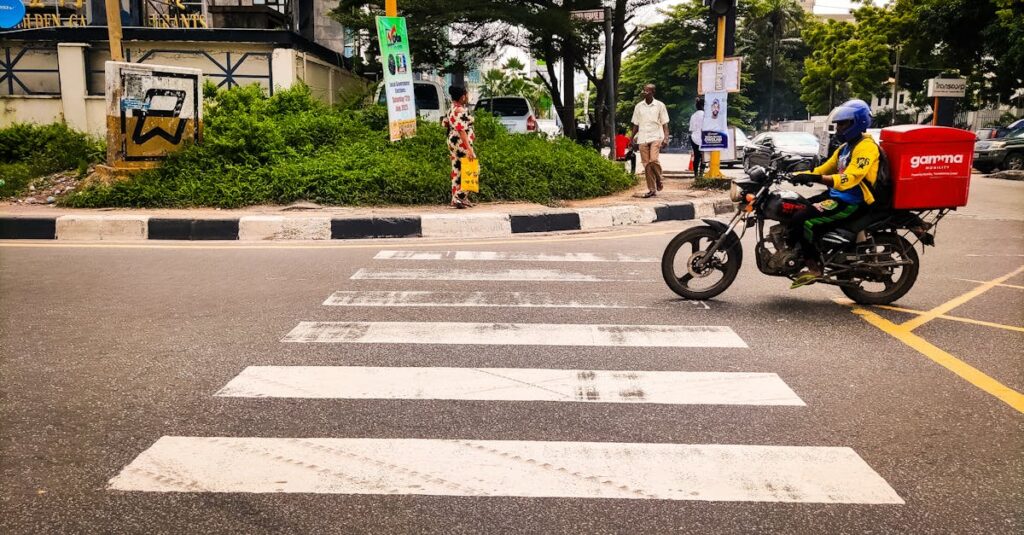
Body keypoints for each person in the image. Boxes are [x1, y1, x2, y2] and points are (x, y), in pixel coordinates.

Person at [788, 99, 879, 288]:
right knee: (794, 205)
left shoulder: (866, 148)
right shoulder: (845, 148)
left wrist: (816, 179)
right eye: (838, 124)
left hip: (852, 202)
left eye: (843, 124)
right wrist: (796, 175)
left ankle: (814, 268)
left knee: (803, 220)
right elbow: (823, 169)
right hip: (837, 196)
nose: (838, 129)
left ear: (858, 123)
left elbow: (851, 178)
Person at [630, 84, 670, 198]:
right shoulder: (638, 106)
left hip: (656, 136)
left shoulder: (660, 105)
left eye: (647, 90)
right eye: (644, 90)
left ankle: (659, 178)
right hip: (642, 137)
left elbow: (665, 124)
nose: (645, 92)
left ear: (653, 92)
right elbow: (635, 124)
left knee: (653, 160)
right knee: (647, 165)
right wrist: (631, 138)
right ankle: (652, 189)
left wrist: (666, 138)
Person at [443, 85, 476, 209]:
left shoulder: (451, 108)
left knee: (457, 169)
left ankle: (457, 199)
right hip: (461, 142)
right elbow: (461, 130)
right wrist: (469, 149)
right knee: (473, 168)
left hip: (453, 140)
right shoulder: (460, 110)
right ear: (463, 97)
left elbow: (445, 123)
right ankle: (460, 196)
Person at [689, 96, 706, 179]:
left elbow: (691, 129)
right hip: (704, 139)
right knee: (703, 157)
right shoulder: (706, 115)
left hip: (694, 138)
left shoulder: (693, 116)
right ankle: (701, 175)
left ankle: (696, 176)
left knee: (696, 156)